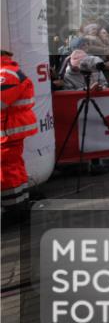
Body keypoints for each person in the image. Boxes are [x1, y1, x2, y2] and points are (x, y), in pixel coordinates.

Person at [1, 50, 39, 221]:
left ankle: (14, 209)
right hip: (10, 128)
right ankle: (21, 204)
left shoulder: (6, 74)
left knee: (8, 169)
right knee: (14, 166)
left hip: (8, 130)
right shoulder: (8, 71)